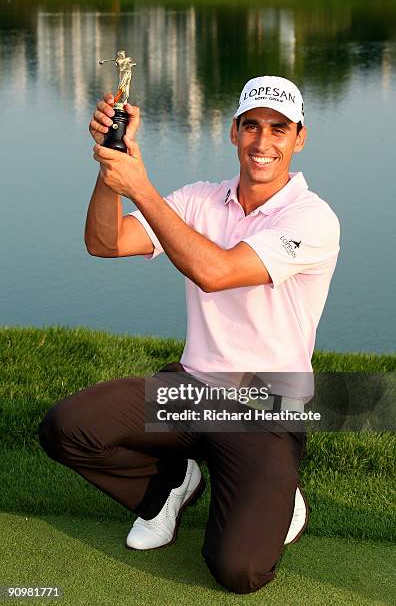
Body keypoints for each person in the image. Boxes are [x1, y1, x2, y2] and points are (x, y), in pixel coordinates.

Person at [38, 76, 340, 594]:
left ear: (299, 138)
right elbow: (104, 242)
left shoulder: (312, 219)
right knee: (67, 428)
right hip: (192, 388)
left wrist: (142, 187)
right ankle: (168, 488)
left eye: (278, 128)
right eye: (251, 126)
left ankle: (280, 494)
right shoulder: (202, 199)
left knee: (239, 571)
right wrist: (113, 167)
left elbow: (216, 272)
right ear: (232, 132)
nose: (262, 142)